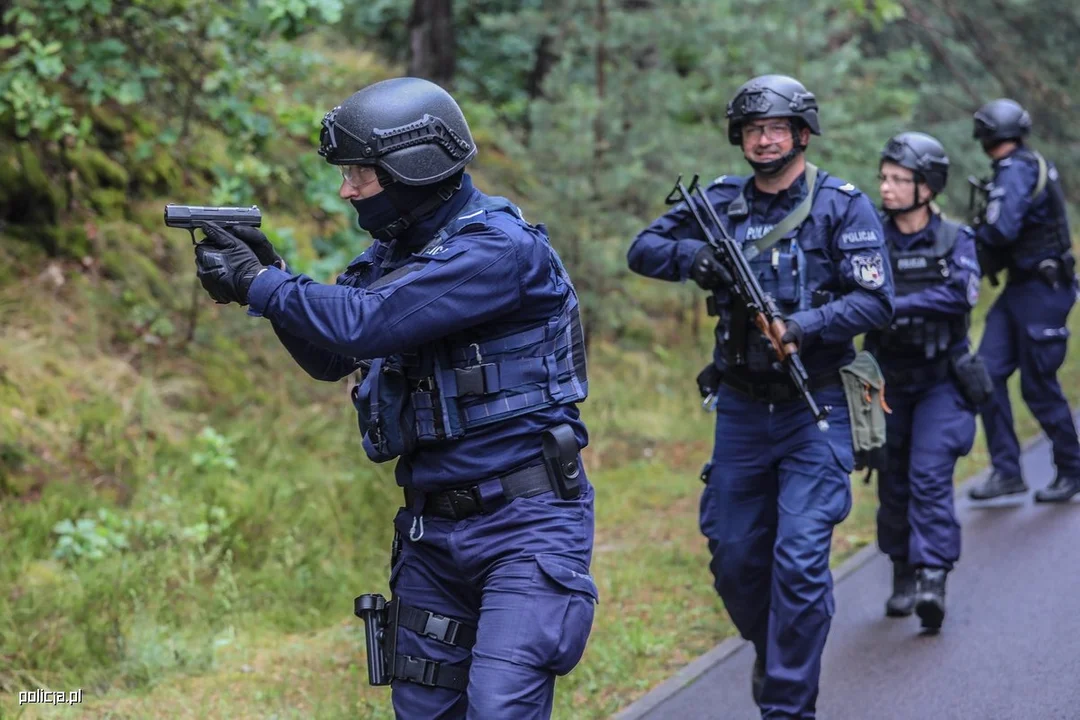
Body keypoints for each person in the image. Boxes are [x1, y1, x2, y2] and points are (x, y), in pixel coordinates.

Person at [192, 77, 597, 719]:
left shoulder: (498, 250)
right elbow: (332, 355)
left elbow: (366, 323)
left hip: (526, 526)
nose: (348, 189)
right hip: (431, 533)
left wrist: (265, 286)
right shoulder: (392, 255)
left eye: (362, 173)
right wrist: (264, 280)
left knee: (498, 709)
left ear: (415, 168)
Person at [627, 74, 894, 718]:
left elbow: (876, 301)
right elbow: (642, 249)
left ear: (802, 133)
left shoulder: (841, 205)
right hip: (742, 408)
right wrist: (696, 260)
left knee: (799, 562)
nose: (765, 139)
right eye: (753, 130)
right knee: (735, 557)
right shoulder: (719, 202)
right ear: (739, 139)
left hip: (818, 404)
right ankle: (773, 653)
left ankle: (787, 704)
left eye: (776, 128)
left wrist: (804, 326)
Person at [864, 132, 982, 631]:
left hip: (941, 380)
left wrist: (891, 305)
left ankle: (933, 575)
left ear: (927, 186)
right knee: (892, 480)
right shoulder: (866, 236)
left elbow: (961, 295)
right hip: (886, 381)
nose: (887, 188)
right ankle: (902, 572)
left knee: (929, 475)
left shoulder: (957, 240)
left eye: (899, 179)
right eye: (884, 178)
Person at [964, 98, 1080, 503]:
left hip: (1042, 291)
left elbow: (1000, 230)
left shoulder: (1016, 170)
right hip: (1021, 288)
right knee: (985, 373)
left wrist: (967, 243)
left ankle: (1072, 469)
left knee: (1038, 385)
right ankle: (1007, 472)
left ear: (986, 135)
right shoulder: (1023, 165)